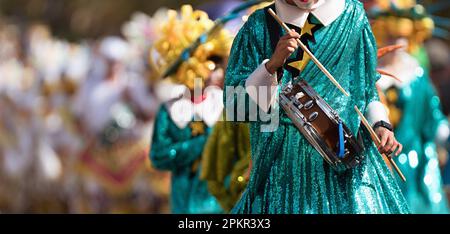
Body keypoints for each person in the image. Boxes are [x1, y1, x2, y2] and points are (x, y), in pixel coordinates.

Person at [224, 0, 409, 213]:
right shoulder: (258, 25)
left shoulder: (352, 17)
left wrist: (381, 124)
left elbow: (365, 88)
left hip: (342, 162)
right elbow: (235, 107)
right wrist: (271, 65)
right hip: (282, 171)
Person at [370, 0, 450, 213]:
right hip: (380, 163)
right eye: (391, 36)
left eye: (402, 37)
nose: (397, 42)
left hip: (417, 164)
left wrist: (445, 136)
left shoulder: (416, 76)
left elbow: (433, 119)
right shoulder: (371, 75)